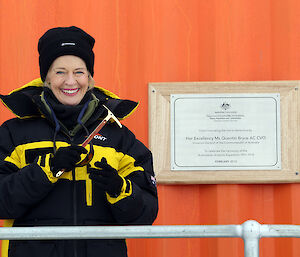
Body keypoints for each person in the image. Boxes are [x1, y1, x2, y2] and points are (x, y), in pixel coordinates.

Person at [0, 26, 158, 257]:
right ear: (46, 78)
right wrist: (47, 170)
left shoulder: (118, 136)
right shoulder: (14, 134)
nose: (70, 81)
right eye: (60, 72)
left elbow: (146, 214)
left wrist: (119, 188)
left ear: (90, 78)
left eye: (79, 72)